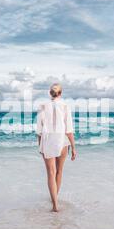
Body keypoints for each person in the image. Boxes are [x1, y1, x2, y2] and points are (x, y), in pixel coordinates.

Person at [36, 83, 76, 212]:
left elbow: (39, 130)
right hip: (62, 140)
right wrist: (74, 148)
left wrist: (40, 146)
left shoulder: (42, 107)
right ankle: (55, 198)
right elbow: (69, 130)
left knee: (51, 173)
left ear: (50, 93)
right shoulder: (65, 106)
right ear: (61, 93)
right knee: (59, 171)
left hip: (47, 140)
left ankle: (55, 205)